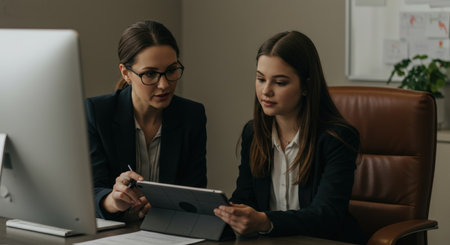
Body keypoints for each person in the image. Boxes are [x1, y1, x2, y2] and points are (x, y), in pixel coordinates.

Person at [214, 31, 366, 244]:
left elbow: (327, 215)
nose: (266, 91)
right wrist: (232, 213)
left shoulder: (337, 138)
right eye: (260, 79)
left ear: (306, 86)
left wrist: (265, 221)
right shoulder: (254, 133)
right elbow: (245, 198)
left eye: (280, 82)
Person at [85, 20, 207, 221]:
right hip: (114, 232)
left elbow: (194, 192)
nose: (164, 84)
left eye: (171, 70)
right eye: (150, 74)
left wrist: (163, 205)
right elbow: (92, 191)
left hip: (169, 231)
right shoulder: (98, 113)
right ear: (126, 73)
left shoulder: (191, 116)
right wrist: (114, 200)